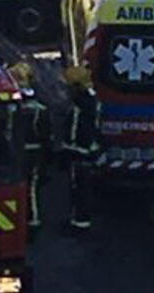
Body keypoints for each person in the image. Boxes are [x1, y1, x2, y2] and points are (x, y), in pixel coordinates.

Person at [9, 62, 52, 231]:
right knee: (30, 188)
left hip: (22, 153)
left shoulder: (16, 107)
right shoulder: (40, 109)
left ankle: (31, 220)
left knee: (28, 188)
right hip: (34, 153)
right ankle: (29, 219)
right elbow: (46, 136)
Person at [61, 65, 101, 230]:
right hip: (90, 151)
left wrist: (67, 148)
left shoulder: (80, 105)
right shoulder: (93, 100)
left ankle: (78, 222)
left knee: (78, 189)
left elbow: (75, 131)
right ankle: (80, 219)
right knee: (85, 188)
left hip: (79, 153)